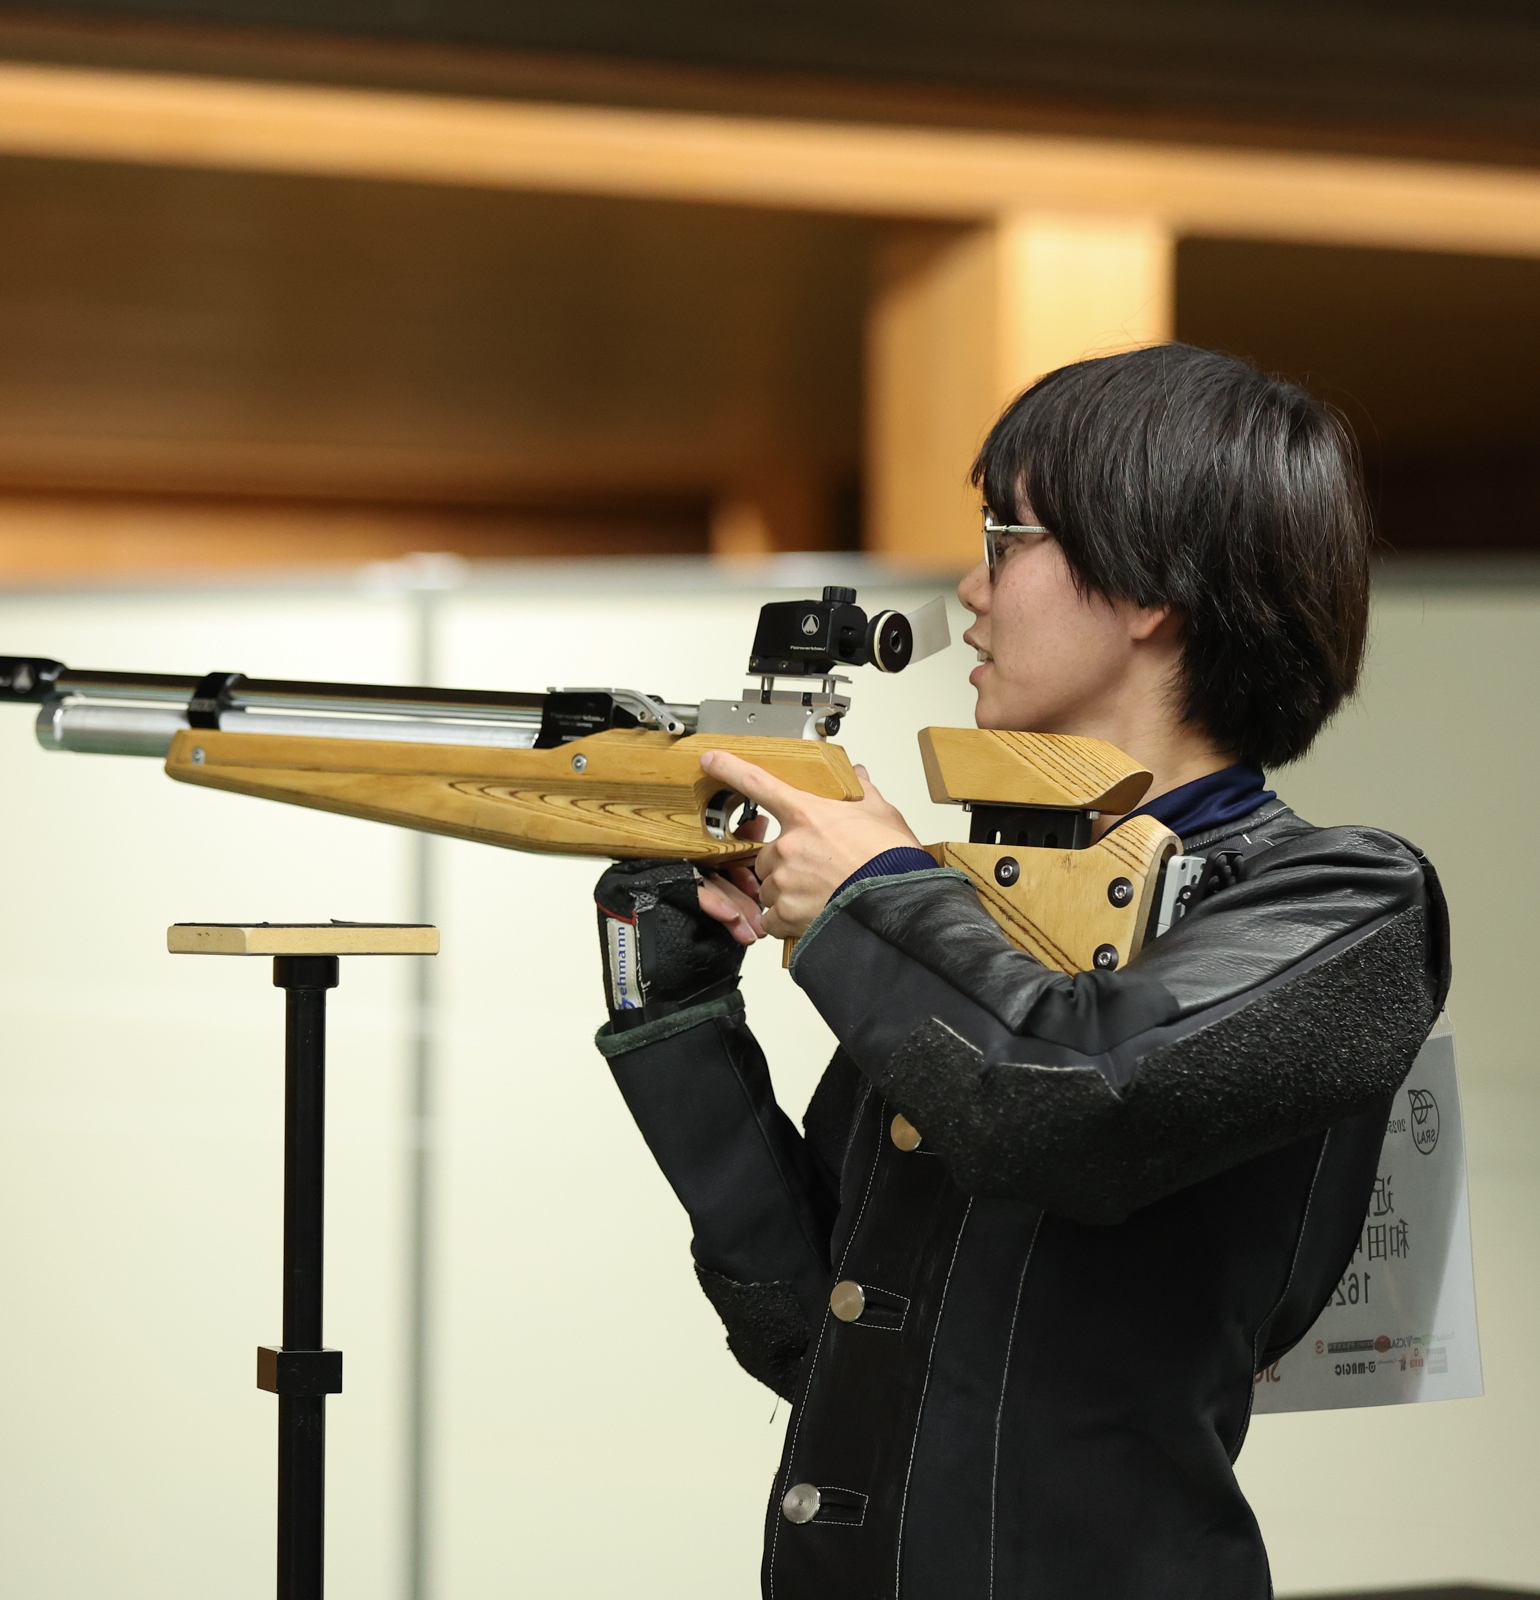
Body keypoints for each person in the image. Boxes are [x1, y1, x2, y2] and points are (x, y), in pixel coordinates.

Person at [589, 343, 1450, 1599]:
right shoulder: (992, 917)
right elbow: (815, 1331)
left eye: (1006, 538)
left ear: (1152, 584)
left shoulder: (1347, 902)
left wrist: (876, 896)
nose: (969, 589)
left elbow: (1069, 1093)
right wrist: (677, 1012)